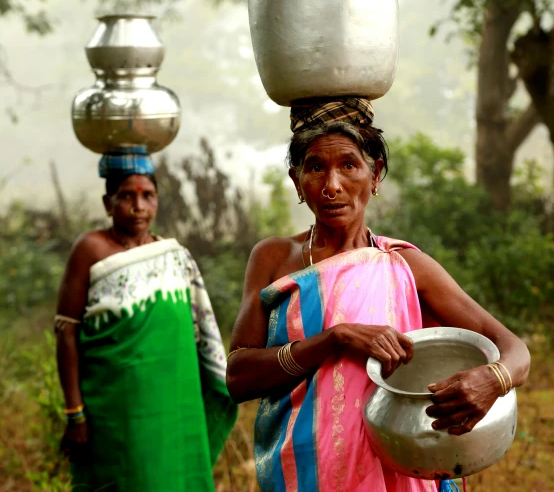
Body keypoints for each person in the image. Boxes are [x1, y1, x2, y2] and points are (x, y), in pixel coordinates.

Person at [226, 99, 530, 492]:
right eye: (316, 167)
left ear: (375, 174)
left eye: (349, 165)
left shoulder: (405, 265)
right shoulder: (273, 257)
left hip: (400, 464)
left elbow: (515, 350)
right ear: (297, 180)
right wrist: (334, 338)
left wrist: (491, 379)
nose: (331, 185)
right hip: (303, 473)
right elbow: (238, 377)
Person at [55, 145, 236, 492]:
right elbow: (66, 333)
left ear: (157, 200)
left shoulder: (174, 255)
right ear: (108, 203)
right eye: (126, 196)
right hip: (116, 410)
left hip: (175, 407)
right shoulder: (90, 248)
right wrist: (74, 412)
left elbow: (195, 338)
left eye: (148, 195)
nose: (139, 206)